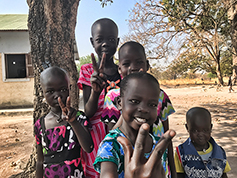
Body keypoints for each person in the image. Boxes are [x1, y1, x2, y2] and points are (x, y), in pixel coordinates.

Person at [101, 41, 176, 177]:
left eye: (152, 104)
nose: (144, 109)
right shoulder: (112, 147)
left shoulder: (157, 146)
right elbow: (112, 132)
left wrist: (174, 173)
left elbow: (166, 137)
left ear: (146, 65)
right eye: (134, 101)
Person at [77, 18, 121, 177]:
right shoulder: (88, 71)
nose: (105, 44)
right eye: (99, 39)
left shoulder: (124, 70)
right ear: (91, 42)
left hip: (123, 133)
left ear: (117, 41)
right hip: (97, 137)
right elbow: (88, 113)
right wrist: (96, 91)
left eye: (110, 39)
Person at [34, 66, 94, 178]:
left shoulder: (79, 117)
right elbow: (40, 161)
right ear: (43, 92)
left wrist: (73, 122)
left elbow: (88, 147)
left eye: (62, 89)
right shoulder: (40, 125)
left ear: (69, 88)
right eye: (50, 91)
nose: (57, 96)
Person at [174, 107, 231, 178]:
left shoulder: (220, 153)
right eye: (195, 131)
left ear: (211, 128)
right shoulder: (181, 152)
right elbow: (178, 175)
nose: (200, 135)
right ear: (187, 128)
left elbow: (223, 174)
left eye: (205, 130)